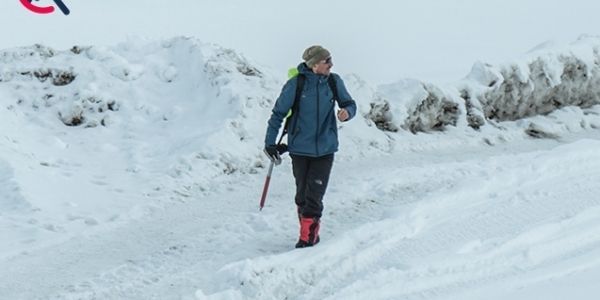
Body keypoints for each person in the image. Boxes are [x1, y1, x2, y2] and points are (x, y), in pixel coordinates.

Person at [264, 45, 357, 248]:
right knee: (302, 195)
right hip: (299, 149)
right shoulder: (296, 84)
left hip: (325, 148)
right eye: (327, 61)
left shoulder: (333, 81)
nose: (331, 64)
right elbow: (278, 114)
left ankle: (308, 237)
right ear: (315, 65)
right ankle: (308, 229)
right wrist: (269, 143)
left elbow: (350, 103)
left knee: (314, 194)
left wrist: (347, 112)